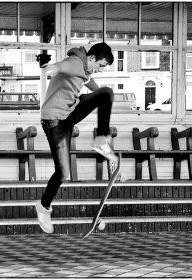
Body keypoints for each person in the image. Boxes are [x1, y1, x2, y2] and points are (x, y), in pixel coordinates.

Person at [36, 42, 120, 233]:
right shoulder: (75, 63)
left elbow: (90, 82)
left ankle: (101, 142)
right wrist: (53, 67)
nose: (99, 70)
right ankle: (42, 208)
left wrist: (101, 96)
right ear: (91, 59)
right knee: (62, 173)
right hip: (55, 122)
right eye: (100, 66)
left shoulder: (85, 70)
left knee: (106, 93)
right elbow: (64, 66)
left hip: (69, 113)